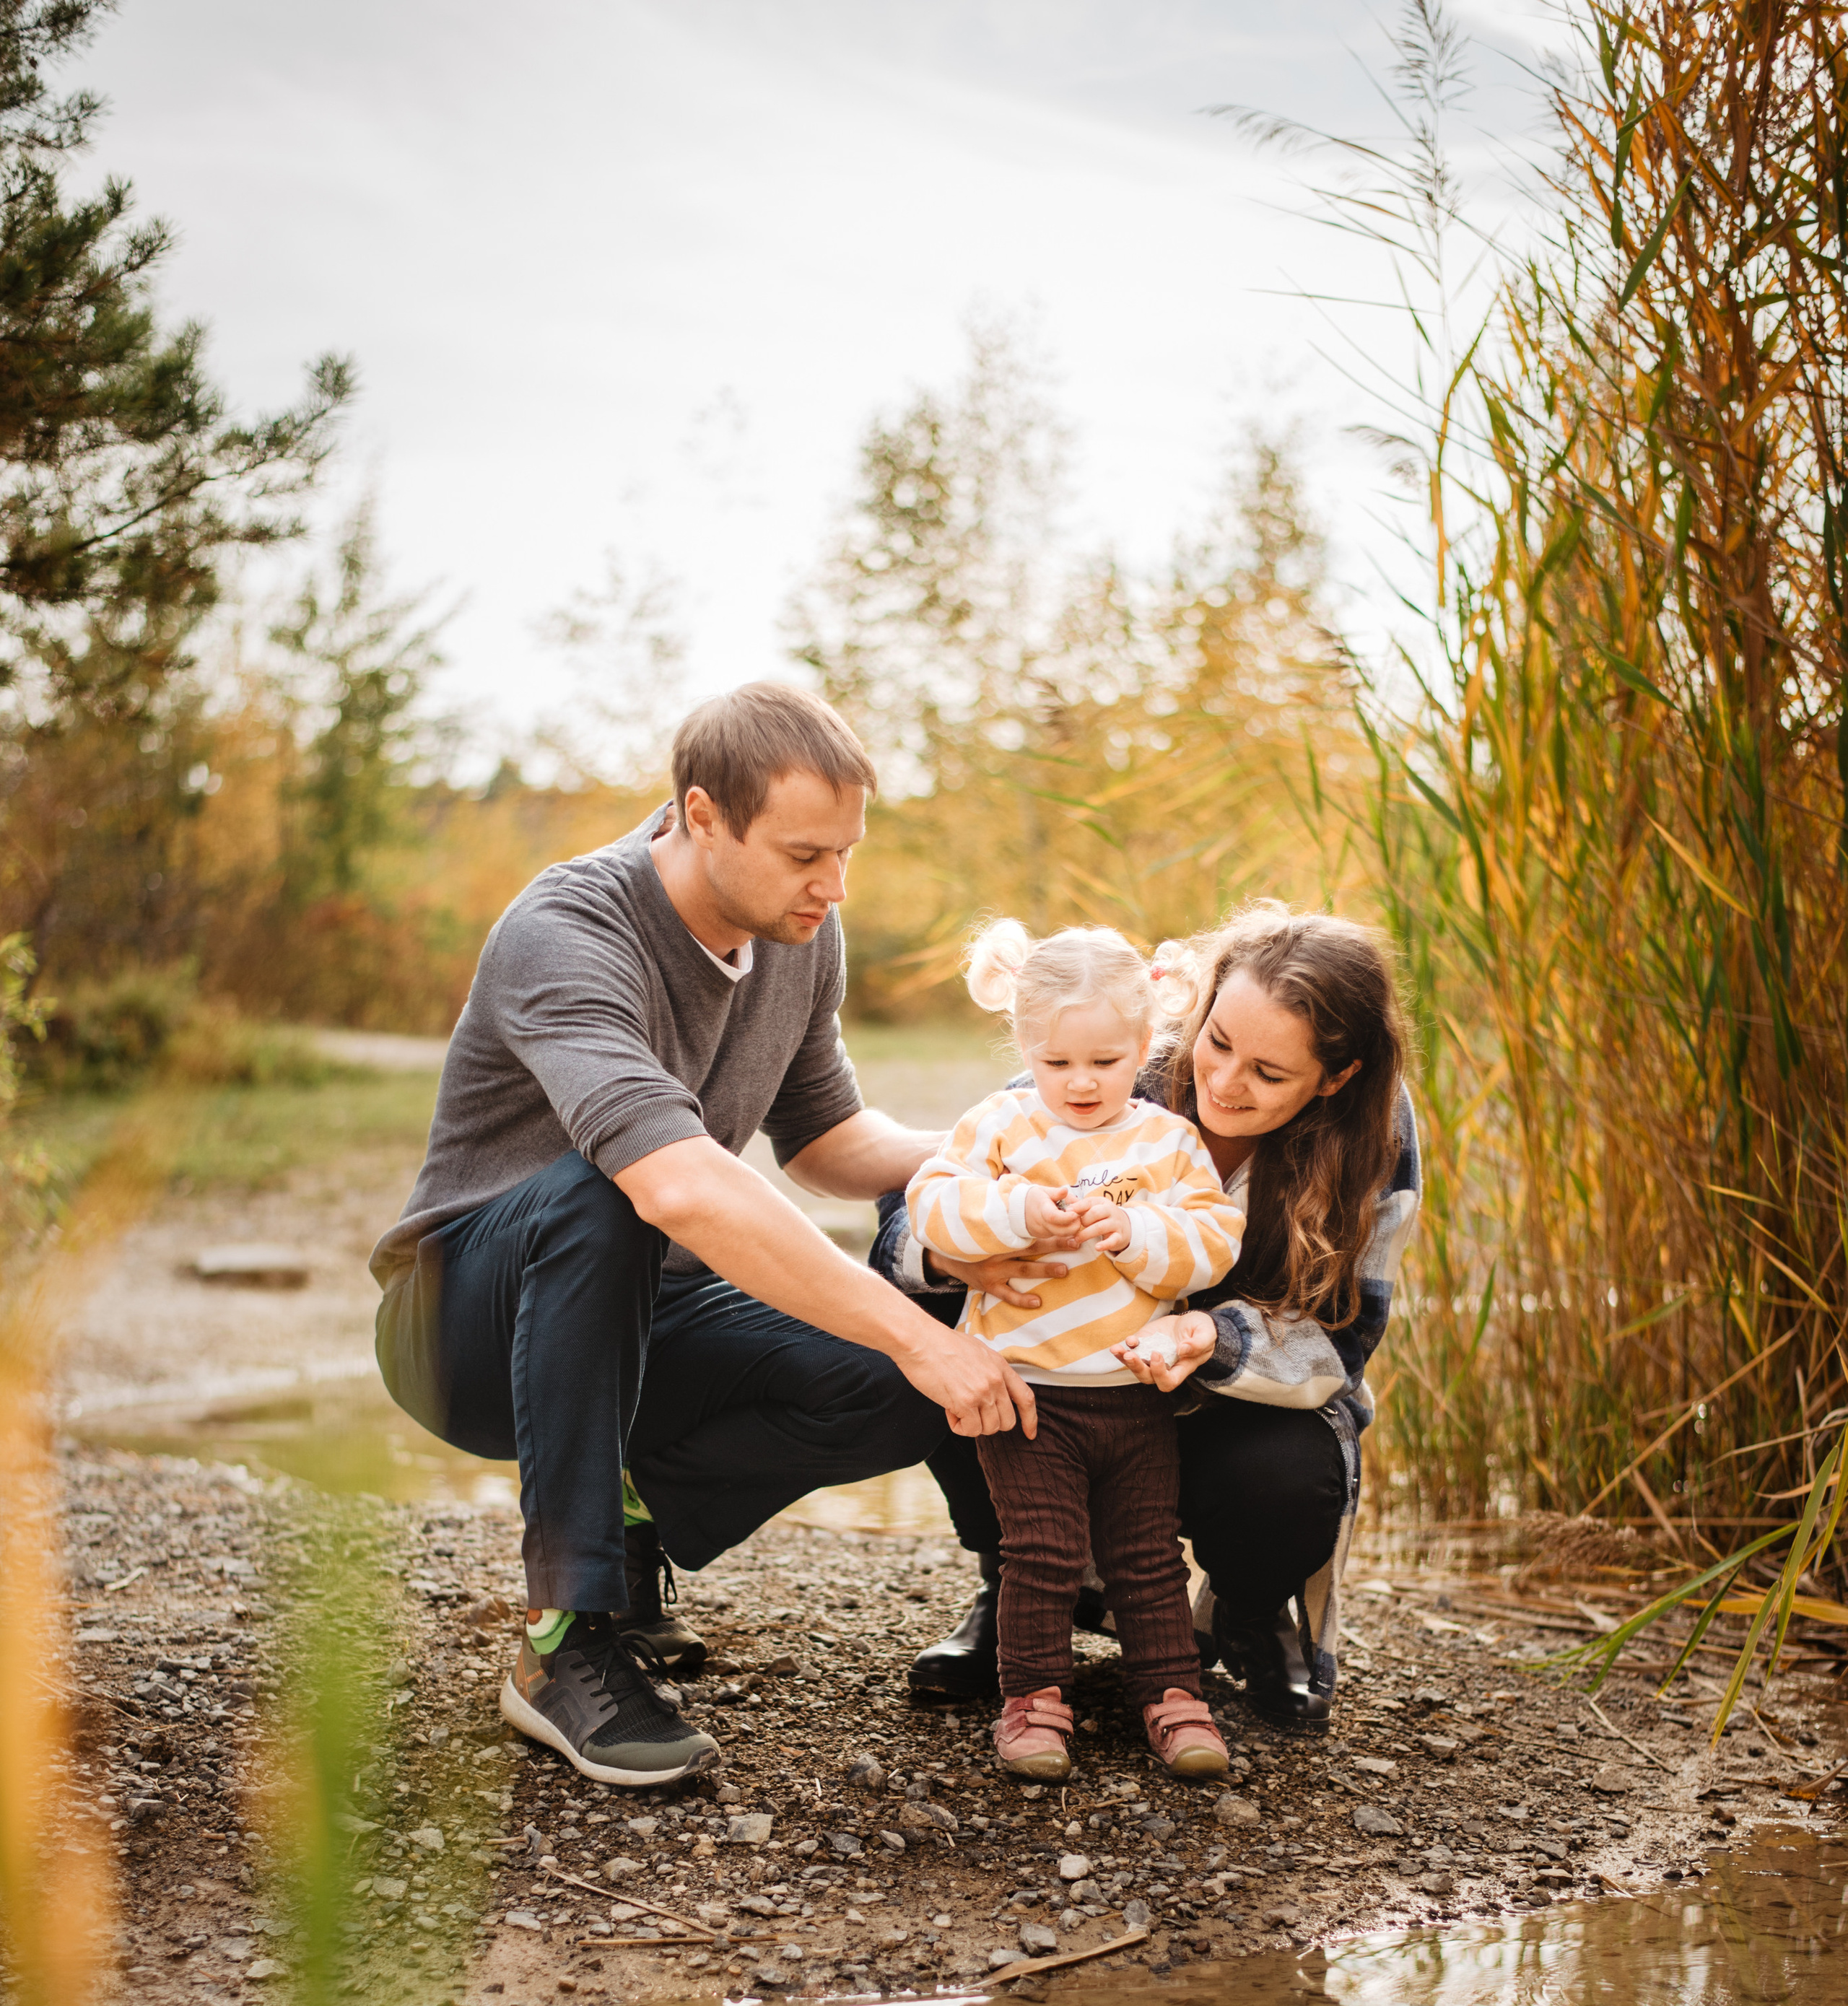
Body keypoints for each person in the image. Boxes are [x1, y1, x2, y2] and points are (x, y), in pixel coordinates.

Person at [370, 681, 1034, 1789]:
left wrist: (1006, 1153)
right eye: (805, 853)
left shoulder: (797, 930)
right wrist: (925, 1337)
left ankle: (628, 1518)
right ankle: (563, 1635)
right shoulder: (567, 930)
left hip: (652, 1310)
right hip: (463, 1327)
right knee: (607, 1190)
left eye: (847, 854)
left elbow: (824, 1139)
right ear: (701, 814)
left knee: (903, 1374)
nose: (833, 885)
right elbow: (679, 1185)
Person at [882, 902, 1418, 1732]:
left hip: (1222, 1402)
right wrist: (962, 1255)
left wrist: (1213, 1334)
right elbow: (908, 1220)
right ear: (1192, 1014)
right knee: (936, 1343)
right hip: (1057, 1381)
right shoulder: (1107, 1058)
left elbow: (1342, 1339)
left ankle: (1246, 1605)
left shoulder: (1373, 1133)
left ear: (1335, 1077)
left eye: (1269, 1074)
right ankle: (1019, 1583)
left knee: (1289, 1476)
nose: (1224, 1083)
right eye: (1217, 1042)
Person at [905, 919, 1242, 1783]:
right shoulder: (1001, 1127)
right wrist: (1016, 1213)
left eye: (1104, 1061)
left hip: (1133, 1391)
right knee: (1044, 1549)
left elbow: (1213, 1242)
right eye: (1057, 1063)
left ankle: (1170, 1694)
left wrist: (1132, 1229)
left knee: (1146, 1553)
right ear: (1023, 1045)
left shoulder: (1168, 1142)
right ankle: (1033, 1700)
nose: (1080, 1083)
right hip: (1027, 1392)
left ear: (1145, 1043)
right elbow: (932, 1205)